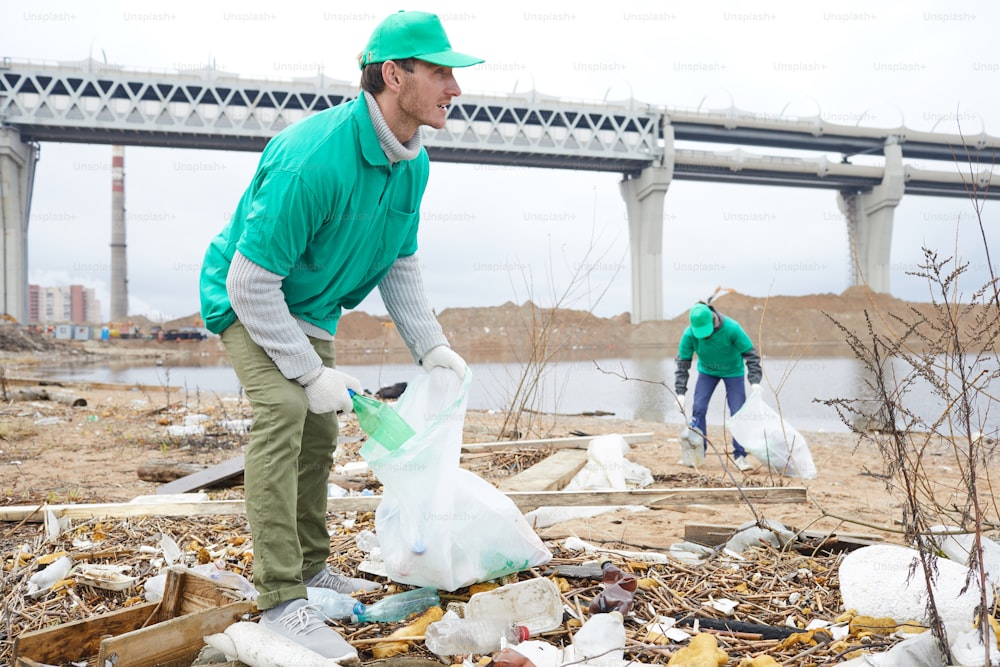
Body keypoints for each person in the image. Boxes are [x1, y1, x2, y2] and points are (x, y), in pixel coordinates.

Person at [198, 10, 482, 660]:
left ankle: (310, 566)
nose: (454, 88)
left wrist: (432, 347)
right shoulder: (313, 159)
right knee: (288, 411)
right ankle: (278, 600)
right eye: (440, 72)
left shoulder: (413, 165)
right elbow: (249, 283)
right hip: (244, 299)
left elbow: (399, 262)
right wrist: (309, 372)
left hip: (311, 307)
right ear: (393, 75)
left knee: (322, 432)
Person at [674, 301, 762, 472]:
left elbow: (751, 355)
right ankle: (698, 454)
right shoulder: (689, 334)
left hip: (733, 372)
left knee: (737, 412)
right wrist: (680, 393)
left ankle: (740, 456)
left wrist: (755, 381)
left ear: (713, 320)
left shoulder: (732, 328)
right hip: (707, 372)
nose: (704, 337)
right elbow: (683, 363)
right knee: (698, 408)